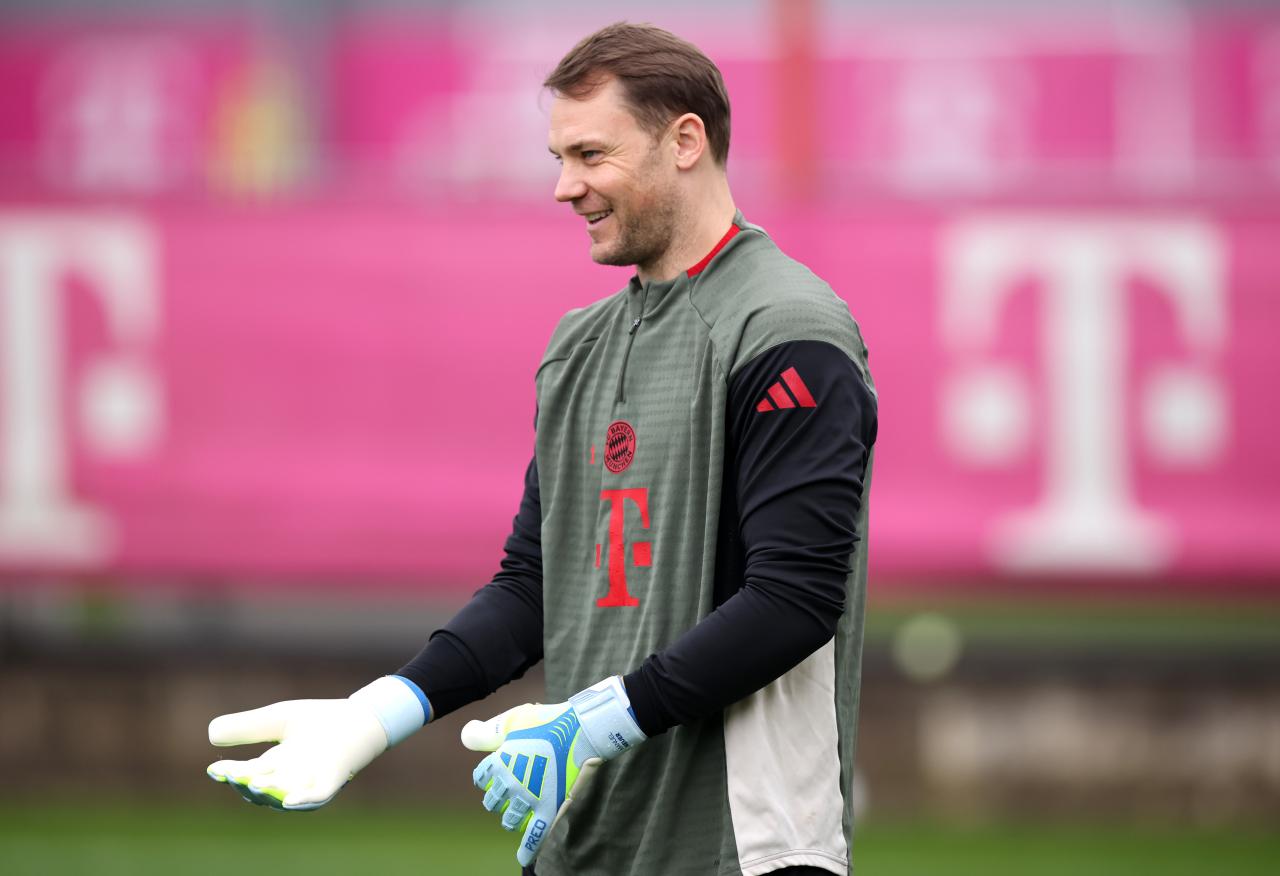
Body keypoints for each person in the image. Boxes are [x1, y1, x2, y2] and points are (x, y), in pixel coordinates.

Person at [206, 22, 877, 876]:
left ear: (684, 142)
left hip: (742, 849)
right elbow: (535, 586)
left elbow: (793, 599)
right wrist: (380, 712)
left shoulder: (786, 328)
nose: (566, 187)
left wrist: (588, 726)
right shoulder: (578, 347)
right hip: (584, 842)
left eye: (591, 154)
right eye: (560, 158)